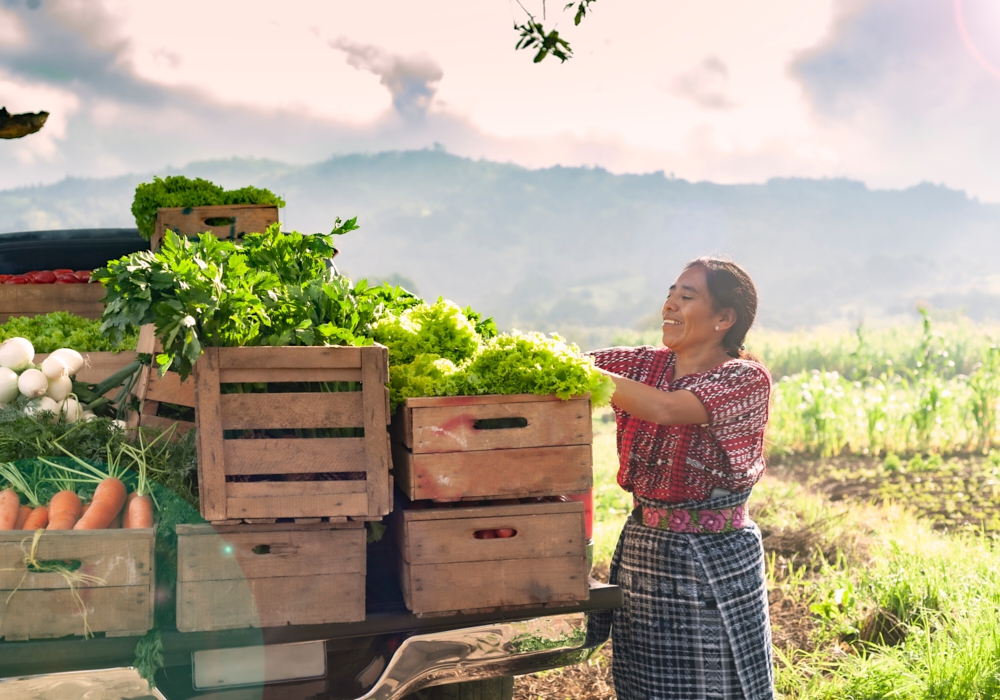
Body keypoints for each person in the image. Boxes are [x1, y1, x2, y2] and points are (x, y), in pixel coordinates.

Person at [588, 257, 773, 700]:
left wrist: (583, 374)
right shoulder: (645, 365)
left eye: (686, 297)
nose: (670, 304)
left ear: (724, 319)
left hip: (712, 561)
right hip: (645, 552)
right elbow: (570, 364)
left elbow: (666, 409)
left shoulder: (743, 378)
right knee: (646, 686)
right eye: (670, 293)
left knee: (716, 686)